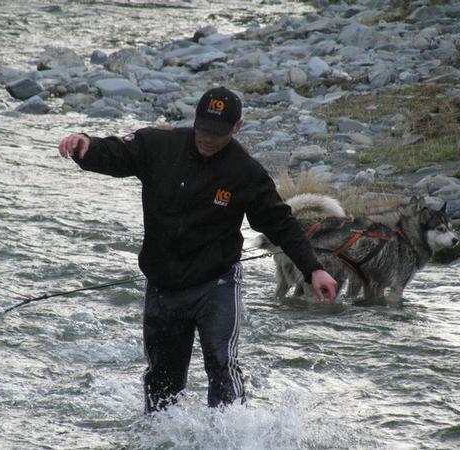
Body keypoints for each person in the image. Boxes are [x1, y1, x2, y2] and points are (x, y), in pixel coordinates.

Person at [58, 86, 337, 413]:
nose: (207, 138)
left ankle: (233, 436)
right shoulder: (160, 145)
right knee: (162, 382)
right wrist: (85, 147)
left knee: (222, 363)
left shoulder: (245, 172)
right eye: (203, 128)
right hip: (164, 287)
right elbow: (116, 153)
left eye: (217, 133)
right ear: (195, 120)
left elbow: (280, 223)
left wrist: (313, 268)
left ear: (237, 128)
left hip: (216, 285)